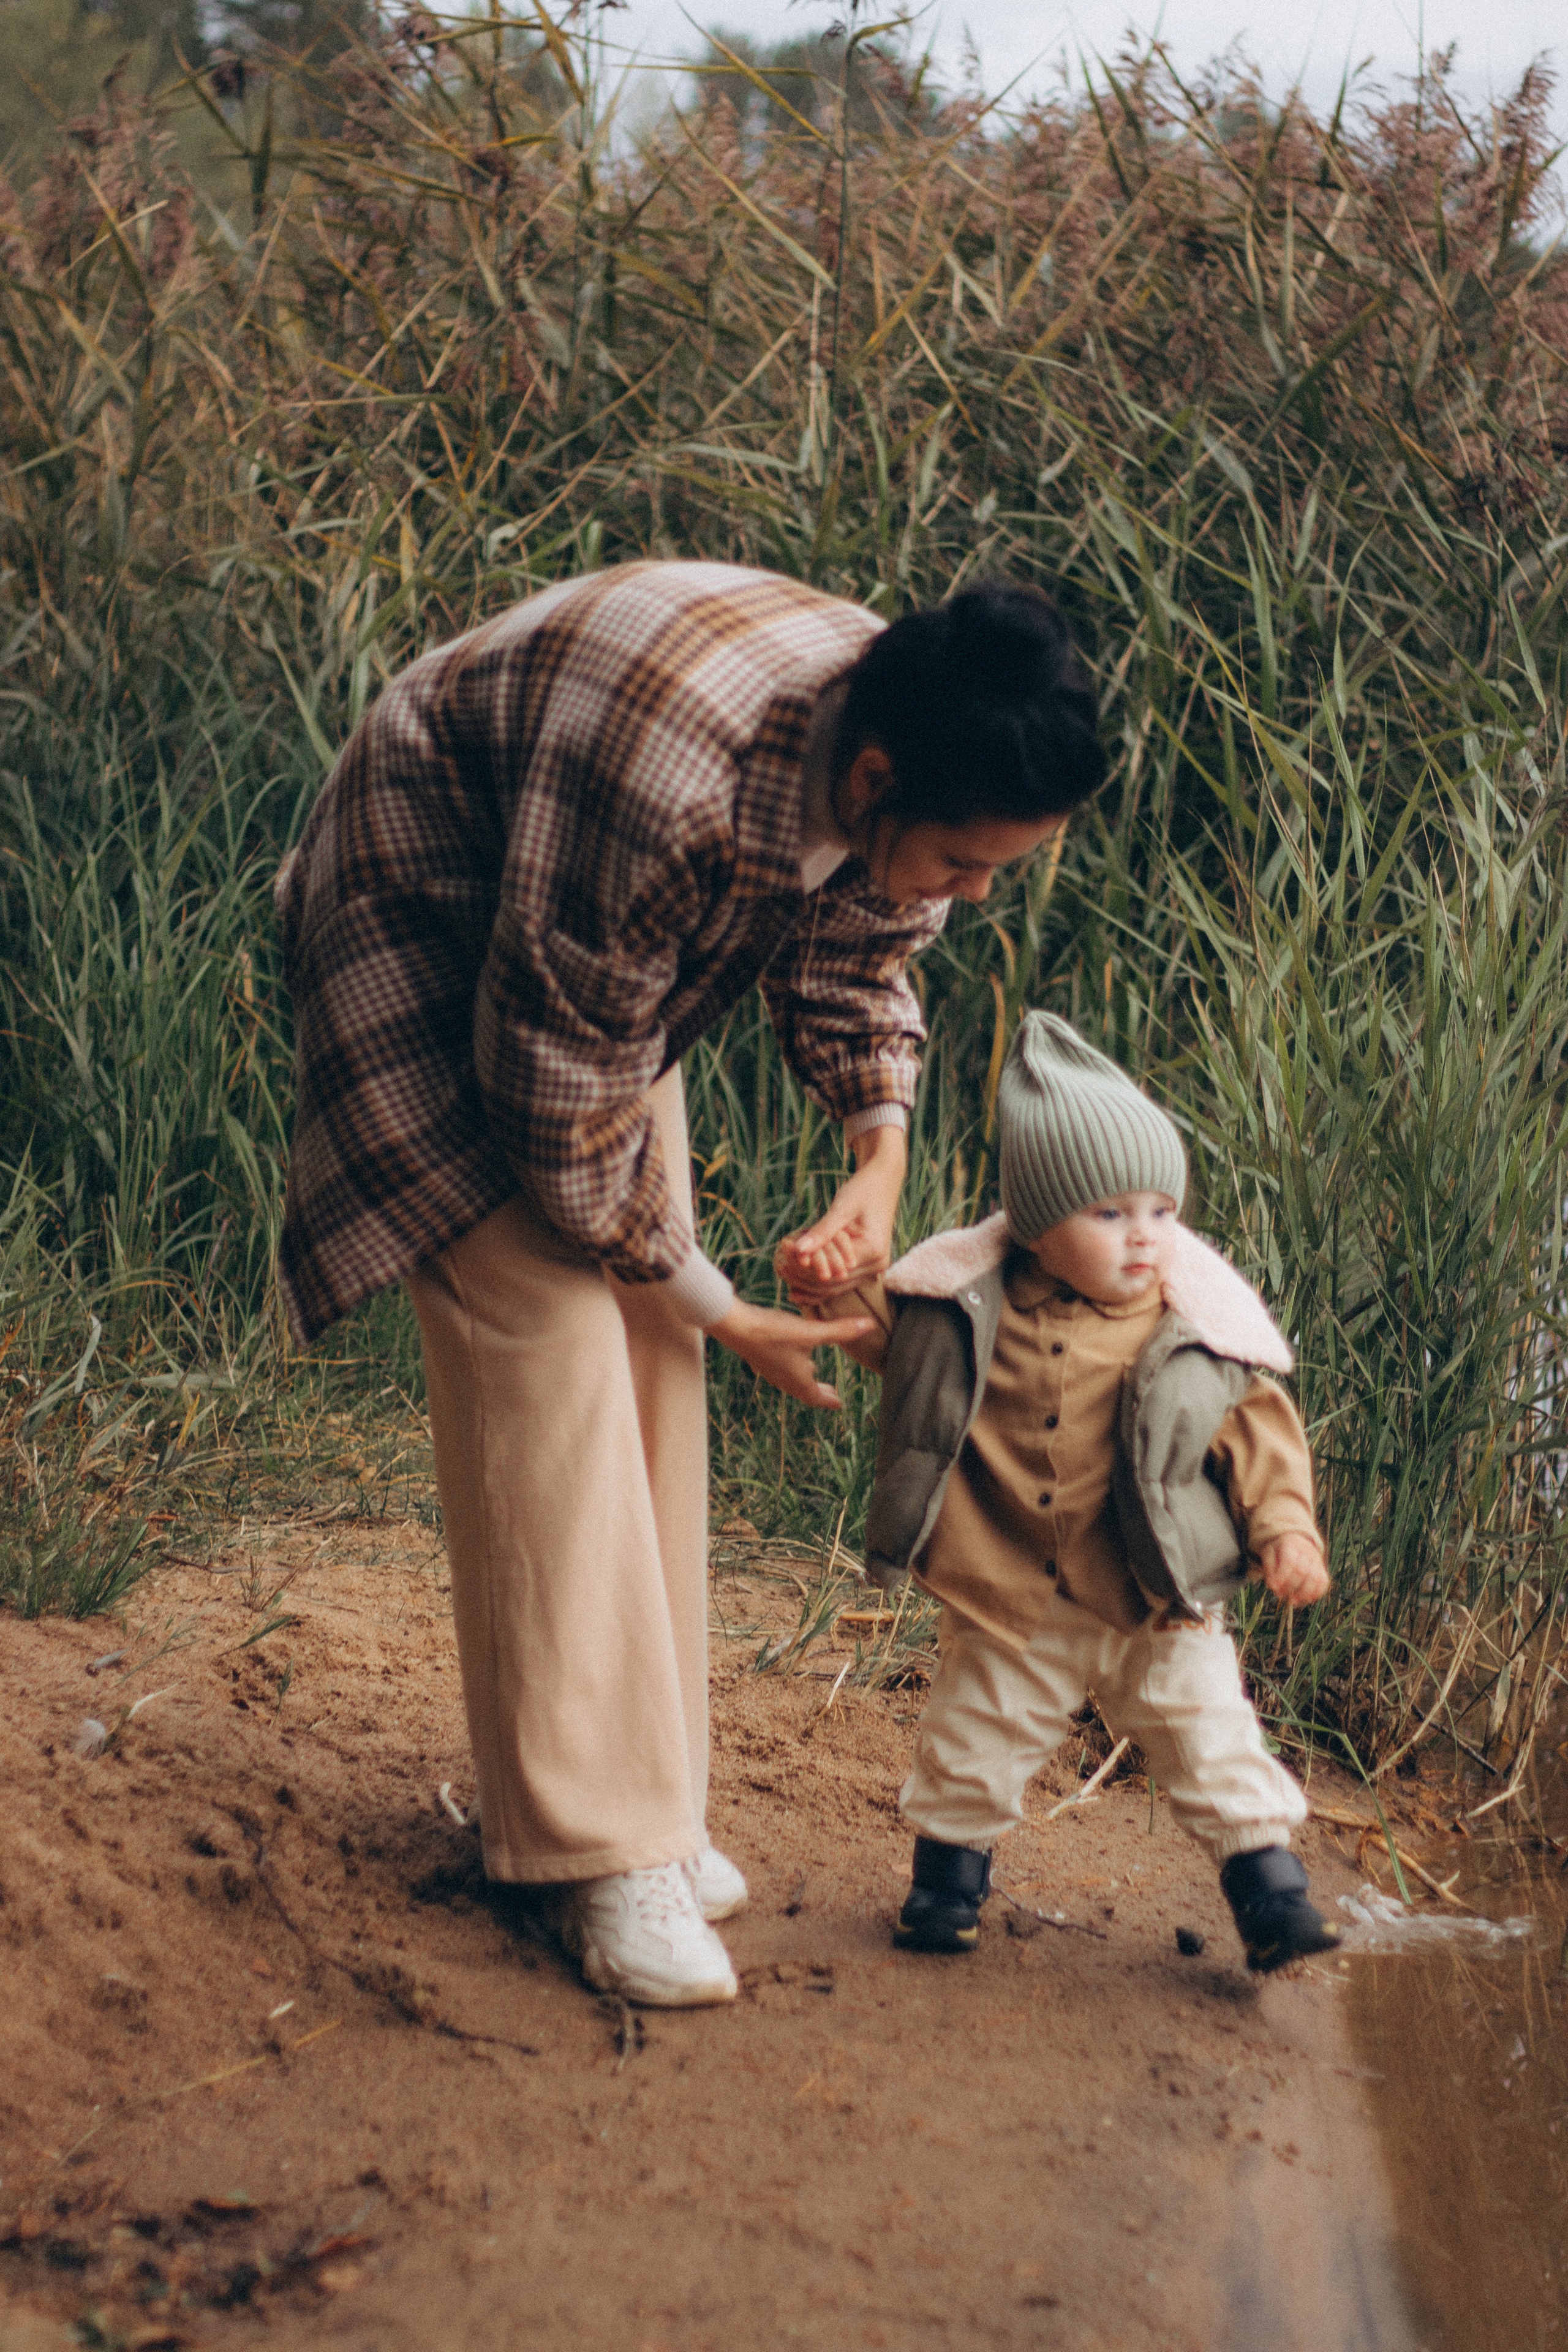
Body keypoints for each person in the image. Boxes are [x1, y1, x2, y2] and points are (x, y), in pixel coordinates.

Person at [273, 562, 1107, 2007]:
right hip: (435, 898)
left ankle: (649, 1797)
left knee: (651, 1349)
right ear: (869, 777)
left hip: (577, 958)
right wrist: (716, 1299)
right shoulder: (679, 796)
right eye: (967, 863)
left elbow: (865, 939)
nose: (971, 897)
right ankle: (587, 1848)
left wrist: (878, 1149)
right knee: (548, 1339)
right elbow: (551, 1097)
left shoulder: (904, 725)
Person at [794, 1012, 1340, 1975]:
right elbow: (889, 1337)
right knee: (977, 1733)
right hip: (1014, 1591)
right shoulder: (969, 1303)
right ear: (1038, 1231)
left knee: (1207, 1737)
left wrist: (1285, 1532)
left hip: (1154, 1597)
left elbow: (1262, 1437)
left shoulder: (1195, 1333)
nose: (1146, 1238)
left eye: (1162, 1213)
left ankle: (1273, 1895)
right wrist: (832, 1286)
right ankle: (945, 1887)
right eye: (1112, 1214)